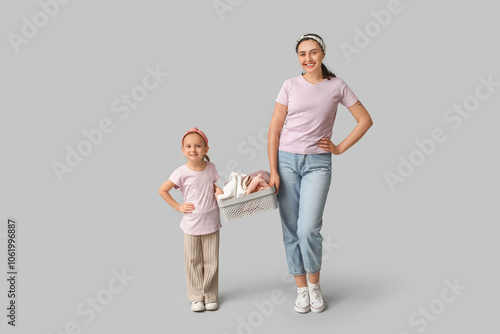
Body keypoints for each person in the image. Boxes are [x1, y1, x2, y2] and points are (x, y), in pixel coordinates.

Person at [267, 34, 373, 313]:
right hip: (286, 162)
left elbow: (365, 120)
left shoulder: (336, 86)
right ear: (298, 58)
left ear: (323, 54)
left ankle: (314, 285)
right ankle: (301, 290)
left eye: (313, 52)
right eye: (302, 54)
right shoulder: (289, 85)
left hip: (318, 164)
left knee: (308, 228)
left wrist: (338, 148)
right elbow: (274, 129)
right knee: (291, 229)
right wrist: (273, 171)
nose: (308, 58)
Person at [159, 127, 224, 312]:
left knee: (211, 261)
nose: (193, 149)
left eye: (197, 146)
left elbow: (211, 185)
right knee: (193, 261)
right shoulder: (180, 172)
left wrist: (217, 189)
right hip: (191, 225)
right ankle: (196, 297)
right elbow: (163, 190)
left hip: (211, 222)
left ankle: (210, 296)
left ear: (206, 149)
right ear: (182, 150)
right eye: (188, 146)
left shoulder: (211, 168)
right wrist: (178, 206)